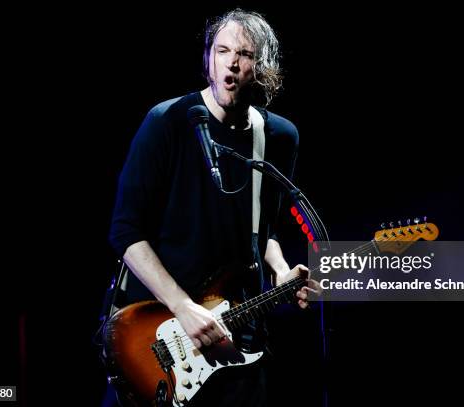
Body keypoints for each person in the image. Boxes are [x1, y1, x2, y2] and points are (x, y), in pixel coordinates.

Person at [106, 9, 317, 407]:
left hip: (239, 329)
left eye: (245, 54)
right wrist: (182, 306)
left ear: (263, 68)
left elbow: (265, 229)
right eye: (222, 51)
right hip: (160, 330)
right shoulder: (167, 121)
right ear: (208, 58)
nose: (232, 64)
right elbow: (125, 232)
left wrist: (281, 270)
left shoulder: (278, 136)